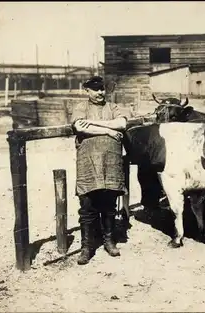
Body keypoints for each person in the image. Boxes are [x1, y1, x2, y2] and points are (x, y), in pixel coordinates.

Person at [71, 75, 130, 265]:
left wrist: (97, 125)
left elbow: (121, 124)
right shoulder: (81, 107)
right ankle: (86, 247)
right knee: (87, 204)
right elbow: (80, 126)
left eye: (102, 89)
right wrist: (108, 131)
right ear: (87, 90)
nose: (100, 92)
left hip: (111, 163)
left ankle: (109, 241)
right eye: (95, 89)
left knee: (109, 204)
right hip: (88, 163)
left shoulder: (113, 107)